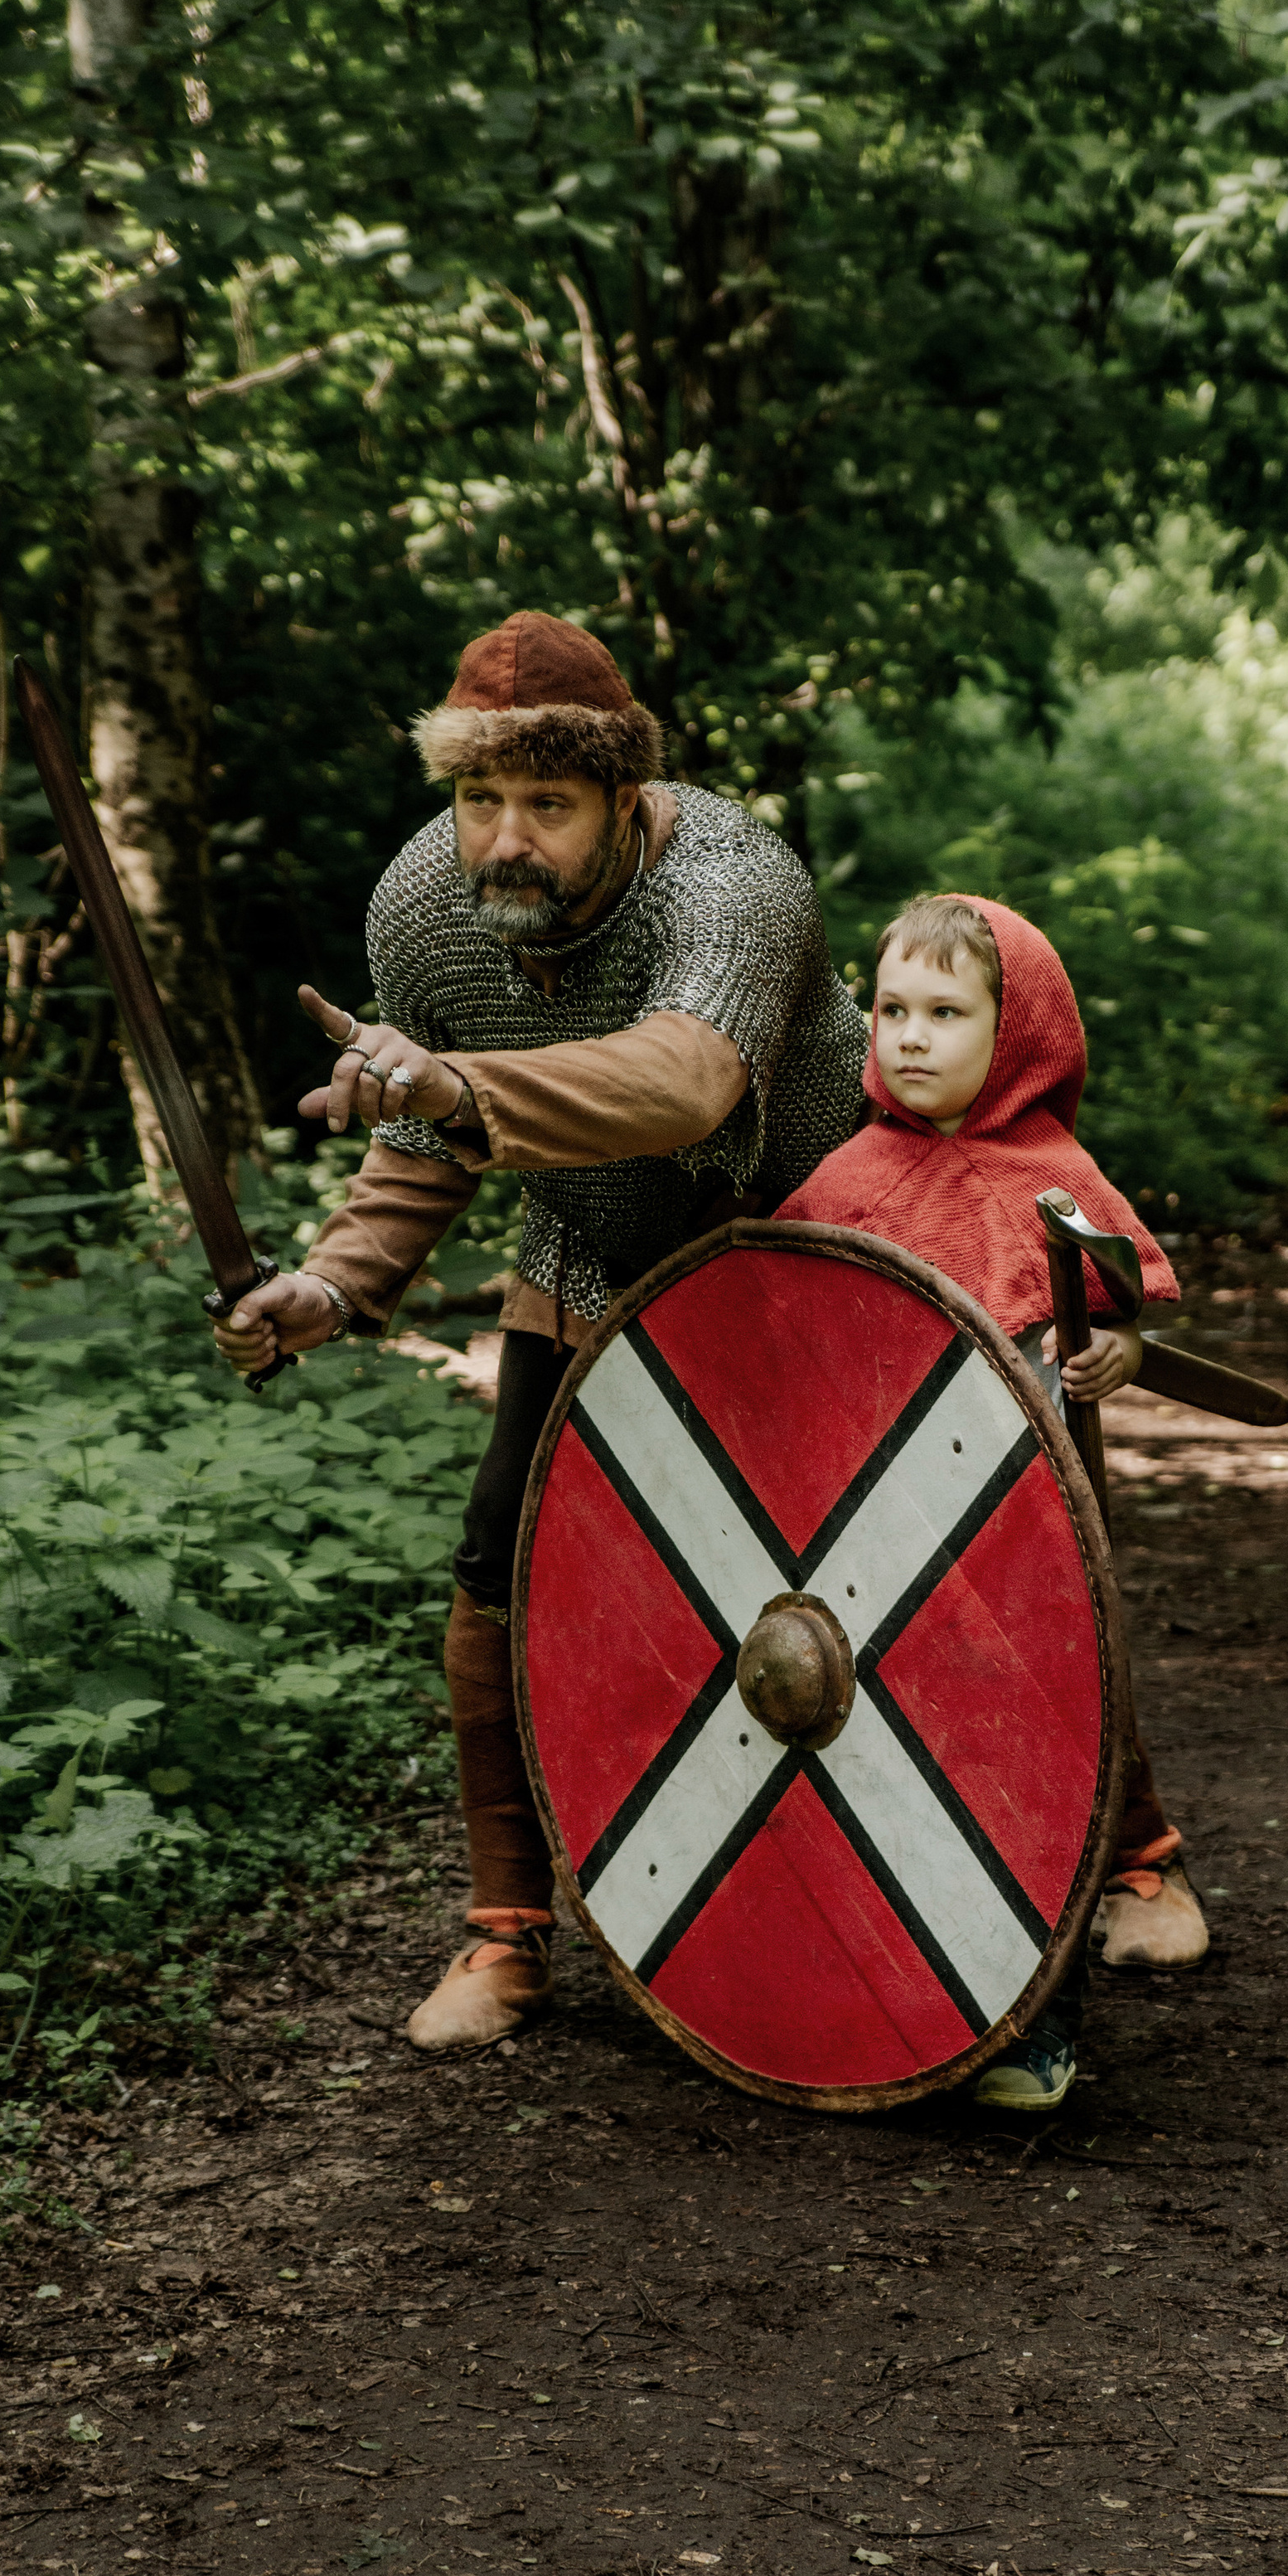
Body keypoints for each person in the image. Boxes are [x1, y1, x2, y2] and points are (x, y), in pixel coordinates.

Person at [211, 610, 866, 2052]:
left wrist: (451, 1086)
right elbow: (434, 1127)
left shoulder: (733, 879)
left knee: (937, 1568)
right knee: (498, 1568)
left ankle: (1126, 1853)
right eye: (478, 798)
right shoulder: (423, 910)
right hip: (591, 1258)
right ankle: (507, 1936)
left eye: (548, 805)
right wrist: (335, 1282)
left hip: (823, 1259)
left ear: (623, 803)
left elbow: (686, 1081)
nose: (506, 838)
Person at [773, 890, 1212, 2113]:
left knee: (1028, 1749)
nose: (910, 1036)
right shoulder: (848, 1176)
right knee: (885, 1748)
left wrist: (1115, 1351)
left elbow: (1115, 1308)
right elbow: (784, 1325)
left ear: (1018, 1035)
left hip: (1021, 1542)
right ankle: (886, 1979)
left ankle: (1032, 2021)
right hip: (870, 1536)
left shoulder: (1052, 1179)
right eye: (895, 1009)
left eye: (948, 1013)